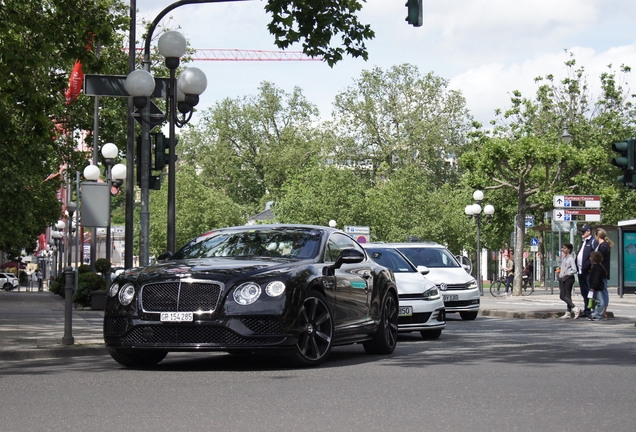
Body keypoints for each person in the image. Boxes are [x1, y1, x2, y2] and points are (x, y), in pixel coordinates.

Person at [576, 224, 597, 318]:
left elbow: (595, 255)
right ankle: (586, 309)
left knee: (590, 291)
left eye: (584, 231)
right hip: (581, 271)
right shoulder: (583, 242)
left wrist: (591, 266)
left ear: (589, 231)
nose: (582, 233)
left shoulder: (593, 241)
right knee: (584, 291)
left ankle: (592, 310)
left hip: (588, 271)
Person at [558, 243, 581, 319]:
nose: (563, 249)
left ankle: (575, 308)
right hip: (562, 279)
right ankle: (568, 312)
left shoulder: (570, 259)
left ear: (569, 249)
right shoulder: (564, 258)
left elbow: (574, 270)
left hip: (568, 278)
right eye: (563, 248)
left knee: (563, 296)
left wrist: (566, 274)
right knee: (567, 296)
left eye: (564, 248)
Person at [595, 228, 612, 319]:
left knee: (603, 291)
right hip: (600, 272)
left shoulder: (604, 246)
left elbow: (600, 259)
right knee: (601, 291)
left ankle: (603, 311)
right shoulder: (601, 245)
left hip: (602, 272)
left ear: (597, 236)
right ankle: (600, 310)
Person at [588, 251, 607, 320]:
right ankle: (595, 313)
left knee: (599, 301)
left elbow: (595, 278)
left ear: (594, 258)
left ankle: (598, 314)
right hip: (596, 286)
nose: (590, 258)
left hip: (597, 287)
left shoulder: (596, 268)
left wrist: (593, 287)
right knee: (596, 300)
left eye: (591, 257)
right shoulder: (597, 266)